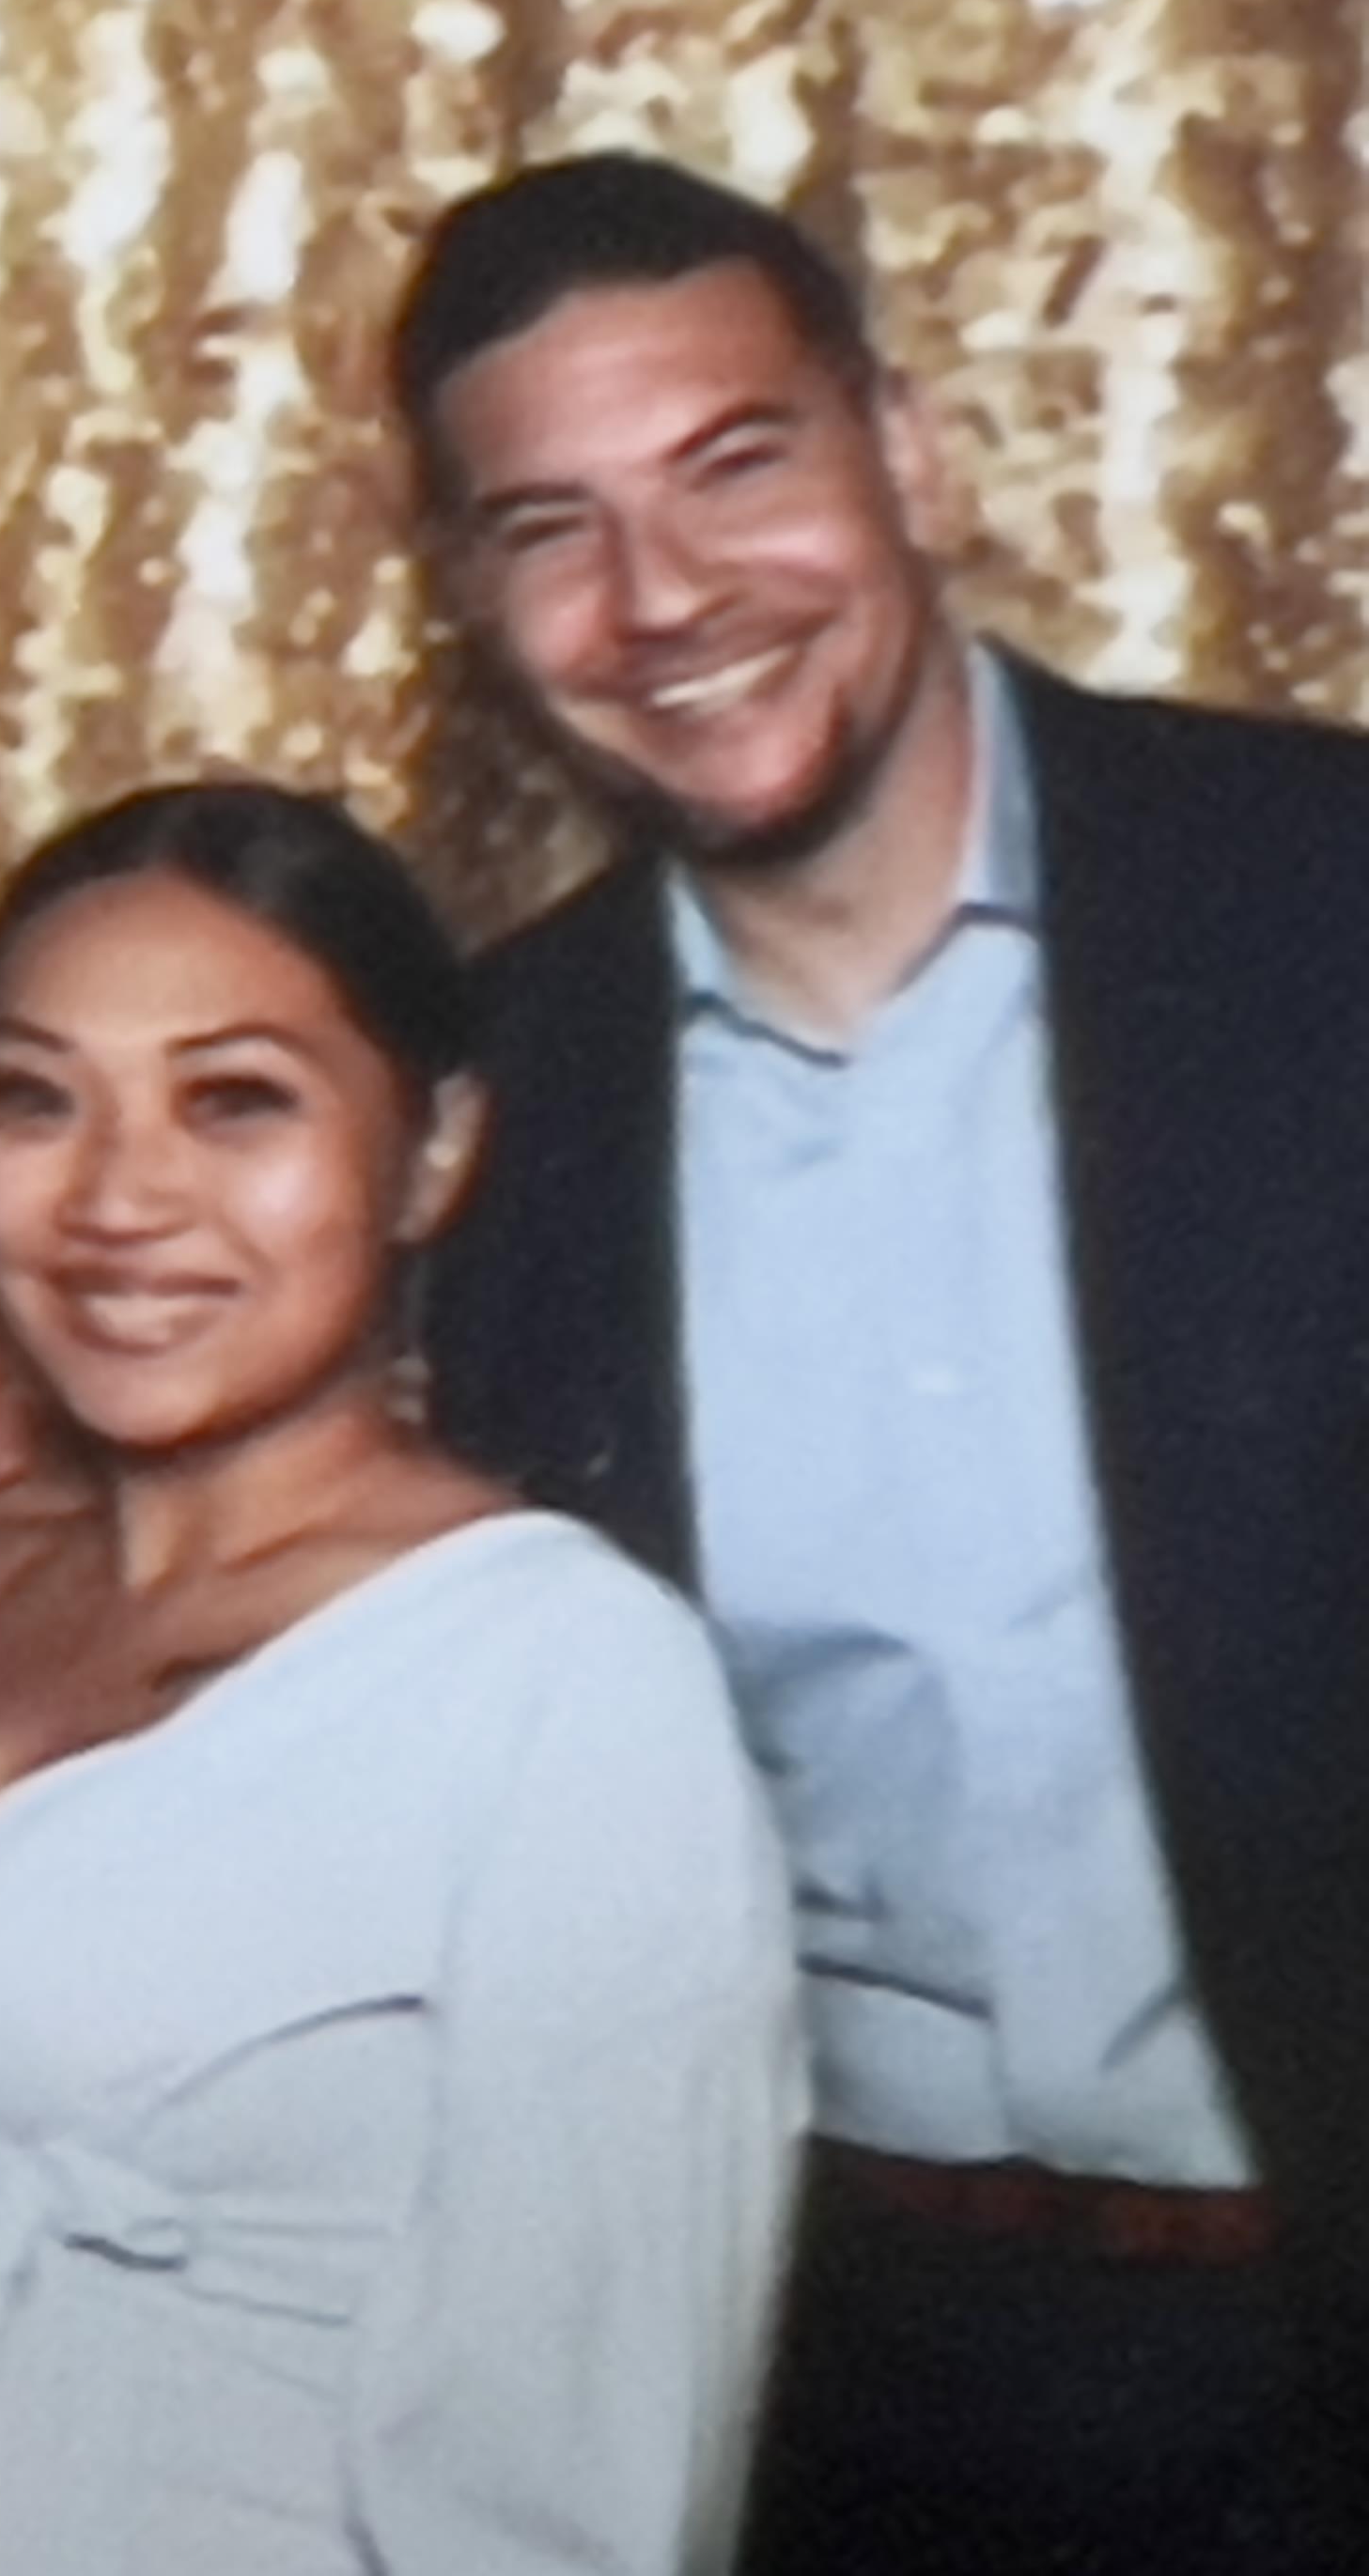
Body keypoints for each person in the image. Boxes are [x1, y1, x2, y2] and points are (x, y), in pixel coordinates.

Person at [397, 151, 1369, 2569]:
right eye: (552, 528)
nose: (665, 600)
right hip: (832, 2381)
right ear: (477, 602)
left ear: (910, 457)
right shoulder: (491, 1118)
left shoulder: (1322, 901)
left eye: (741, 467)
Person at [0, 784, 801, 2574]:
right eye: (39, 1099)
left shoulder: (561, 1680)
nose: (120, 1197)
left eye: (236, 1100)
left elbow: (572, 2478)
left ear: (428, 1153)